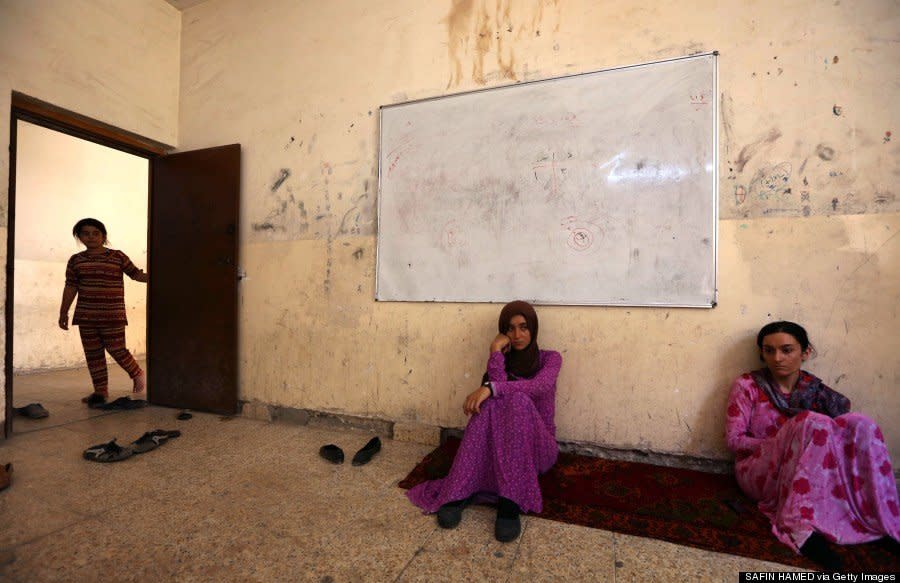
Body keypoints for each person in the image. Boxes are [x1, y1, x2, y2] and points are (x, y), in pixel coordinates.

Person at [725, 321, 899, 570]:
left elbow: (842, 429)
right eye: (769, 350)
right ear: (761, 353)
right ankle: (799, 522)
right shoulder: (747, 386)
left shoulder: (814, 389)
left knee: (861, 423)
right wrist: (787, 440)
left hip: (805, 474)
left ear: (805, 353)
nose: (777, 358)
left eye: (787, 350)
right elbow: (734, 440)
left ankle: (876, 516)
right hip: (758, 471)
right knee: (811, 422)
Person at [406, 300, 562, 542]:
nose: (517, 335)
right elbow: (495, 395)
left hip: (540, 450)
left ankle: (510, 503)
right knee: (492, 402)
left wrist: (491, 388)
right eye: (510, 329)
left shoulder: (550, 359)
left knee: (516, 400)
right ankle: (459, 490)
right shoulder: (503, 359)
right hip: (502, 444)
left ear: (533, 328)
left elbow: (539, 386)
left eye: (523, 327)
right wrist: (495, 352)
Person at [58, 218, 148, 407]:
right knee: (93, 354)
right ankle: (100, 392)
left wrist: (164, 275)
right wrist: (63, 312)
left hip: (112, 314)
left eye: (95, 233)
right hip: (86, 315)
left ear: (103, 236)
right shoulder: (76, 260)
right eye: (85, 233)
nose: (91, 237)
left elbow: (136, 275)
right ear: (79, 237)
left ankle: (137, 374)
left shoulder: (117, 256)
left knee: (116, 348)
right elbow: (70, 286)